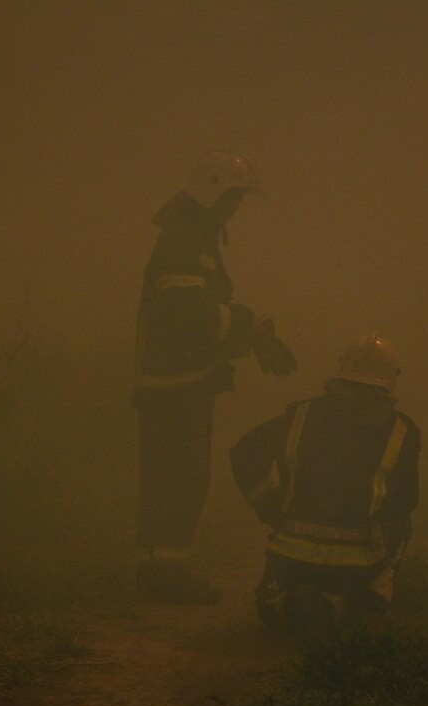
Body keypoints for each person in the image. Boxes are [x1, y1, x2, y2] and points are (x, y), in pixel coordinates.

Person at [133, 150, 297, 604]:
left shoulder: (191, 238)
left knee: (164, 479)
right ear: (211, 191)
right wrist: (248, 325)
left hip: (176, 383)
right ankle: (169, 579)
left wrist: (253, 336)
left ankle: (154, 571)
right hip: (176, 387)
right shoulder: (186, 241)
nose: (236, 209)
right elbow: (187, 314)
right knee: (182, 481)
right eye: (232, 199)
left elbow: (199, 318)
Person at [230, 334, 420, 634]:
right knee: (403, 523)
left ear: (341, 370)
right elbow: (405, 500)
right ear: (391, 378)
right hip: (359, 567)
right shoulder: (403, 430)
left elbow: (244, 454)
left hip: (292, 561)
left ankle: (291, 603)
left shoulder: (300, 415)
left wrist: (269, 505)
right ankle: (370, 600)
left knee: (274, 603)